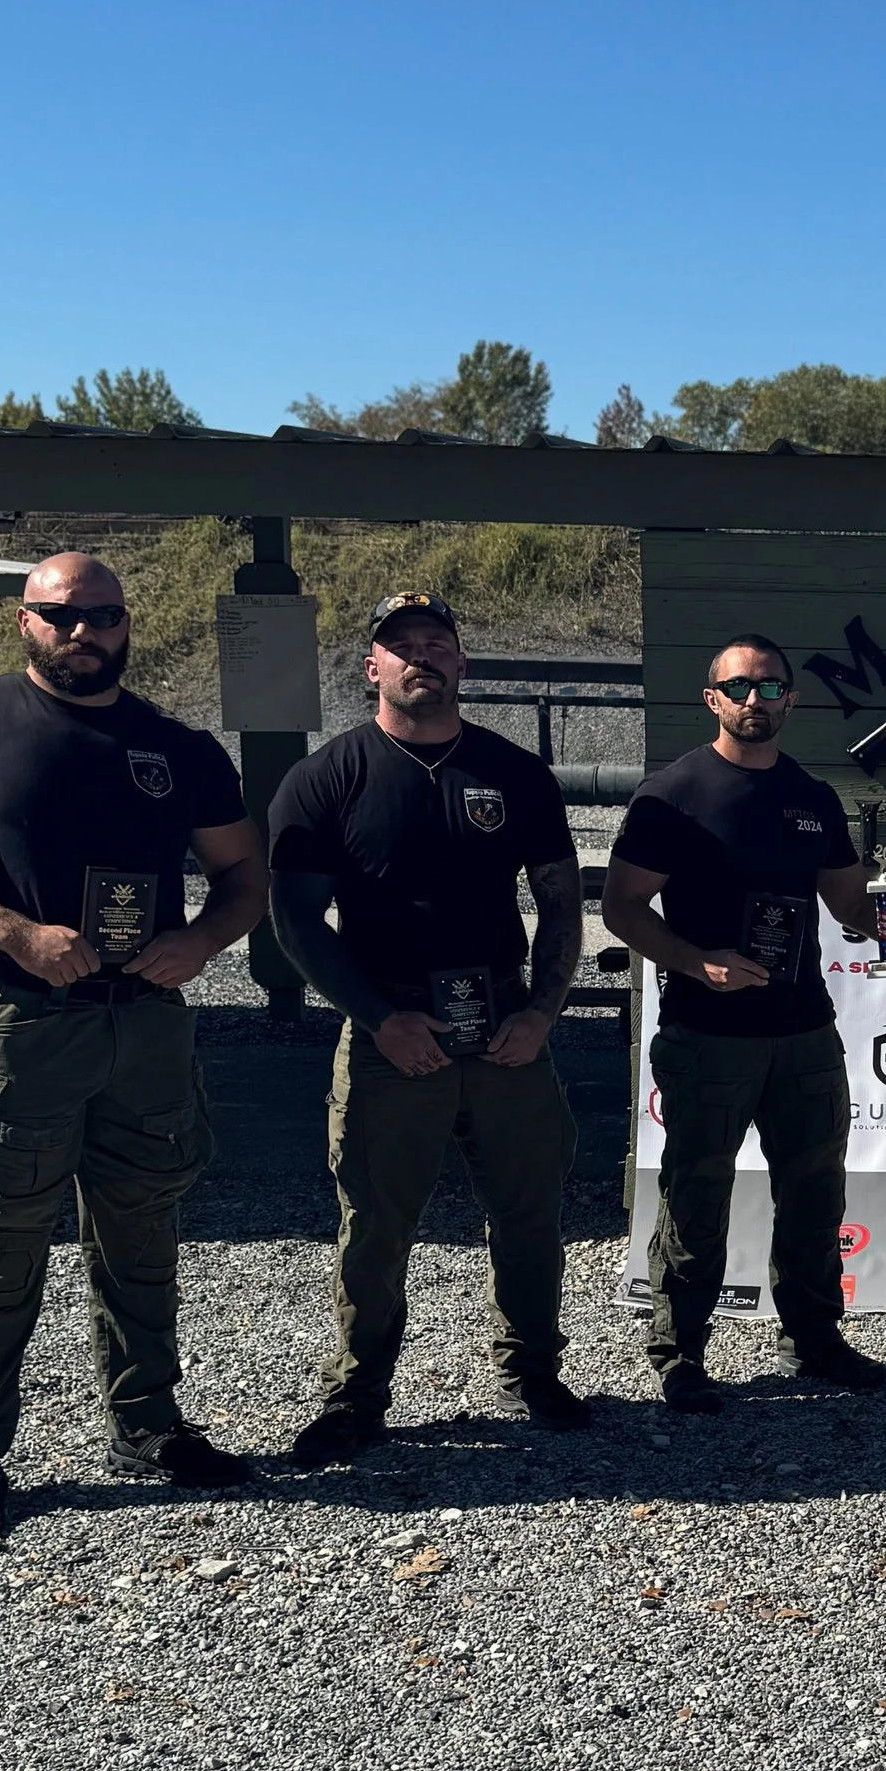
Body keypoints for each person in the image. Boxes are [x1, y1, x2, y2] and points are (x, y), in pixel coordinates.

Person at [0, 550, 268, 1540]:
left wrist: (200, 941)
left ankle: (148, 1427)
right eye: (59, 615)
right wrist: (13, 933)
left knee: (141, 1235)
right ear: (25, 622)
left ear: (127, 624)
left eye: (100, 615)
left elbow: (243, 875)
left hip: (144, 1025)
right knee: (0, 1240)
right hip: (22, 1024)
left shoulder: (176, 747)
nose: (81, 631)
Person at [600, 634, 886, 1410]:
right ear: (713, 699)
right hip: (708, 1032)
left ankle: (815, 1337)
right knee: (697, 1193)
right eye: (739, 687)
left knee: (813, 1192)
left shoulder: (812, 798)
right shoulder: (671, 795)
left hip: (803, 1030)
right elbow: (623, 908)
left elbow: (851, 906)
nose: (754, 701)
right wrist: (698, 960)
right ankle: (680, 1354)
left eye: (770, 688)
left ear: (790, 699)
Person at [267, 592, 588, 1464]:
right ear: (371, 667)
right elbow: (294, 922)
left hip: (504, 1029)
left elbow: (560, 901)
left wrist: (541, 1012)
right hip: (391, 1033)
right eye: (399, 647)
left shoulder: (516, 773)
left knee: (529, 1212)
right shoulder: (327, 778)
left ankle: (533, 1371)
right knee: (375, 1223)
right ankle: (358, 1394)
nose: (420, 659)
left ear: (462, 663)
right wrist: (377, 1019)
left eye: (436, 644)